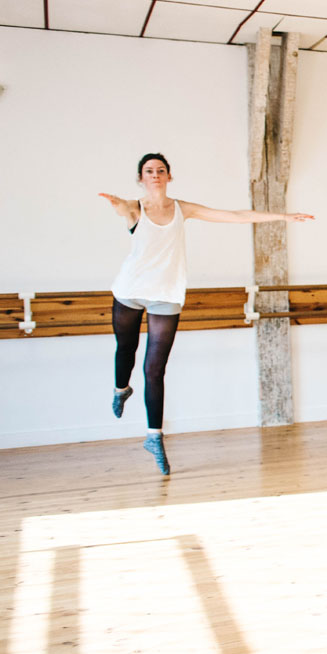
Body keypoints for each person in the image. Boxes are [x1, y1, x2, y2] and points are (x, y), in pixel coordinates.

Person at [100, 153, 312, 474]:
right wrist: (118, 206)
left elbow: (235, 215)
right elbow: (124, 211)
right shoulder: (133, 207)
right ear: (141, 178)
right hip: (130, 291)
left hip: (166, 296)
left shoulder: (182, 208)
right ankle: (120, 389)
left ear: (169, 176)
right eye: (149, 171)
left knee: (154, 370)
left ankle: (154, 436)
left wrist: (281, 217)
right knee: (126, 349)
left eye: (160, 170)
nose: (155, 175)